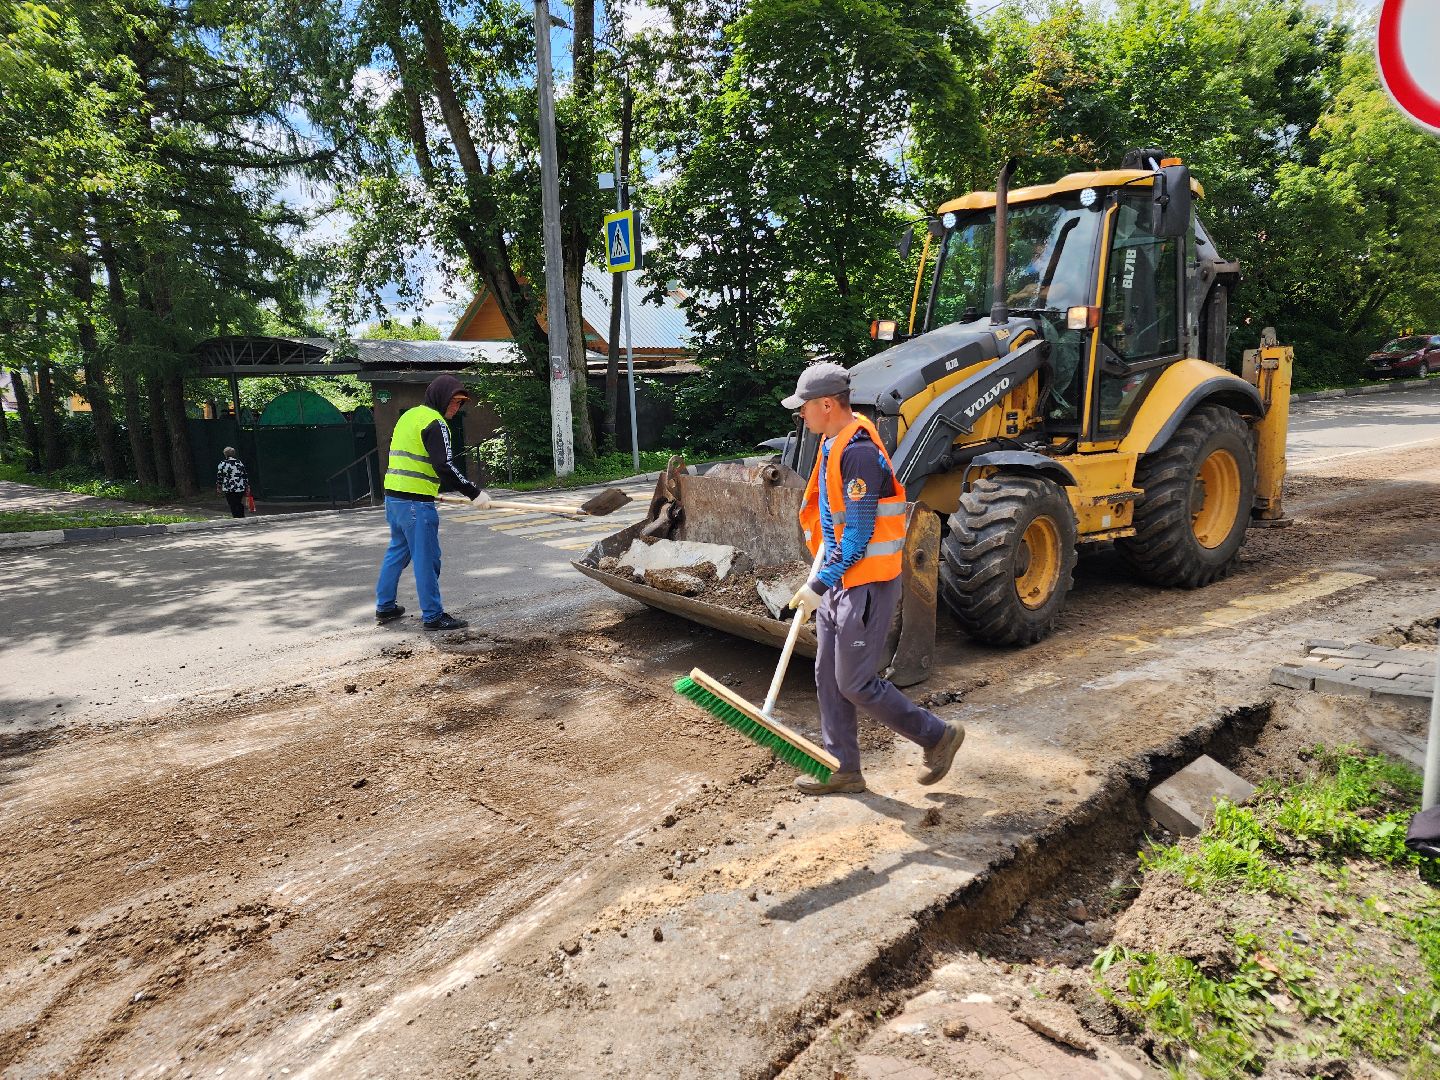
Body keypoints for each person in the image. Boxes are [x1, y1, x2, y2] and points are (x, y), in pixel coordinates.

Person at [784, 361, 966, 795]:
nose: (800, 415)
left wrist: (817, 585)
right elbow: (835, 521)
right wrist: (823, 575)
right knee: (828, 679)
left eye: (804, 407)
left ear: (827, 405)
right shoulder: (832, 443)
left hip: (865, 585)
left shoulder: (860, 453)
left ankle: (937, 736)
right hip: (841, 582)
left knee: (855, 683)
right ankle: (843, 768)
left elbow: (859, 534)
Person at [374, 374, 491, 631]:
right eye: (454, 401)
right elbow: (444, 465)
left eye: (460, 403)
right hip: (416, 503)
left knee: (397, 552)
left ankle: (385, 606)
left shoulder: (409, 416)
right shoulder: (435, 423)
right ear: (441, 397)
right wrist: (474, 493)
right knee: (427, 559)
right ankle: (433, 616)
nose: (456, 407)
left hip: (394, 498)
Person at [215, 447, 250, 518]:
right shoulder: (239, 462)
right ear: (233, 454)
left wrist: (219, 486)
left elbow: (220, 476)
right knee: (238, 502)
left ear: (225, 454)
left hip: (228, 487)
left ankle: (236, 517)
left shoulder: (223, 463)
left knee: (232, 503)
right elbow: (244, 474)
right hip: (239, 486)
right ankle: (241, 516)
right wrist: (247, 485)